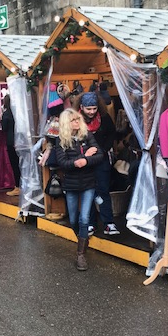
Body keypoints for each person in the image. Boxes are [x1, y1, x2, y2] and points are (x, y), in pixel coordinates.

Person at [55, 108, 104, 271]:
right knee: (74, 220)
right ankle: (83, 239)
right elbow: (63, 163)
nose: (77, 122)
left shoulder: (87, 135)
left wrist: (86, 161)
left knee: (84, 219)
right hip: (71, 184)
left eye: (78, 119)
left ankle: (80, 254)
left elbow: (100, 155)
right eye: (73, 120)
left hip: (88, 183)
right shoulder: (61, 140)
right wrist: (83, 157)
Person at [78, 91, 119, 236]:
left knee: (103, 190)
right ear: (81, 107)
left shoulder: (104, 117)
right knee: (87, 191)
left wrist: (104, 149)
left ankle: (109, 223)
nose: (91, 112)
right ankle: (90, 223)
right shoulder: (75, 120)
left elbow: (112, 133)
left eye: (94, 108)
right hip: (84, 161)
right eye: (88, 109)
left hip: (101, 160)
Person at [1, 95, 20, 196]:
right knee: (22, 164)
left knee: (15, 165)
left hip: (11, 141)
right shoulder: (19, 112)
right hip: (21, 141)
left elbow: (4, 128)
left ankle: (17, 187)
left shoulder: (6, 114)